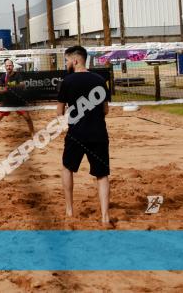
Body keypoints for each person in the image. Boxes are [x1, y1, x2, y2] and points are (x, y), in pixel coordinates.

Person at [57, 45, 112, 228]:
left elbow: (59, 112)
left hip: (76, 134)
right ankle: (105, 217)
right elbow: (105, 110)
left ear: (75, 60)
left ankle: (69, 210)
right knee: (102, 175)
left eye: (66, 60)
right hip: (98, 133)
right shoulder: (99, 80)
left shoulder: (68, 81)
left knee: (67, 168)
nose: (66, 64)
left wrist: (68, 124)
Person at [0, 58, 35, 138]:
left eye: (10, 65)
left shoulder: (18, 75)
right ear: (5, 67)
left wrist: (9, 87)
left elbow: (22, 85)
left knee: (28, 118)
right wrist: (3, 89)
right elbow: (1, 91)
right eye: (7, 66)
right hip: (7, 101)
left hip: (18, 101)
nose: (8, 67)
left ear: (13, 66)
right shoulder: (3, 77)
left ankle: (32, 133)